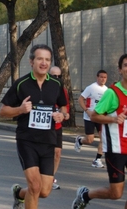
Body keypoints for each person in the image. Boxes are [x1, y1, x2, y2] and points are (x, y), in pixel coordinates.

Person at [0, 44, 67, 209]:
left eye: (47, 59)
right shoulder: (21, 83)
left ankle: (19, 194)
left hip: (48, 141)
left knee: (44, 191)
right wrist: (20, 109)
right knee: (35, 186)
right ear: (31, 62)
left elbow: (64, 108)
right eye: (40, 59)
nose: (44, 63)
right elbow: (3, 111)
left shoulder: (56, 85)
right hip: (27, 141)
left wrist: (61, 115)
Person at [71, 54, 127, 209]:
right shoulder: (112, 93)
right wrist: (114, 119)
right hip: (116, 149)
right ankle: (85, 195)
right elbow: (95, 116)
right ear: (120, 70)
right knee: (116, 194)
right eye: (126, 65)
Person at [75, 69, 108, 168]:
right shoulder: (91, 88)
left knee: (103, 139)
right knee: (90, 140)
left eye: (105, 77)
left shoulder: (107, 90)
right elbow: (80, 99)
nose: (103, 79)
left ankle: (97, 159)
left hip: (101, 117)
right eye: (101, 77)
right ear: (97, 77)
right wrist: (87, 110)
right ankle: (80, 140)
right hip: (89, 117)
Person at [48, 66, 70, 190]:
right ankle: (43, 176)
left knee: (57, 153)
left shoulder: (63, 90)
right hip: (44, 127)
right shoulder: (43, 88)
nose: (56, 78)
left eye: (59, 76)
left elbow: (65, 107)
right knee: (45, 153)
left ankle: (51, 177)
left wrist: (64, 114)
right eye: (53, 76)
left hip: (57, 126)